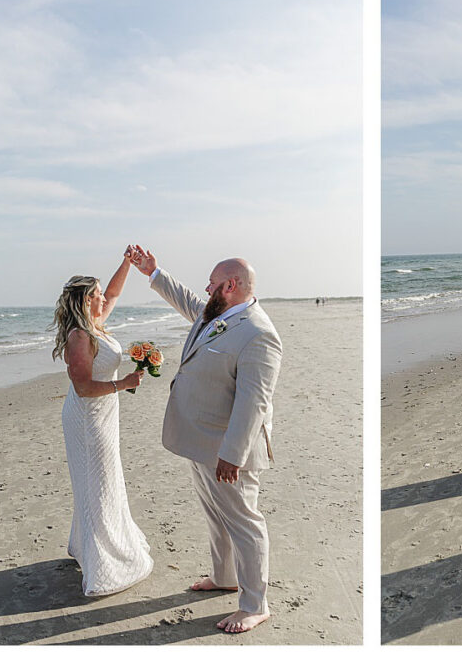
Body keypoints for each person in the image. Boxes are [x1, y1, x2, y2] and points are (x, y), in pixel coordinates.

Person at [129, 245, 283, 634]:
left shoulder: (258, 333)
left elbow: (254, 403)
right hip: (200, 440)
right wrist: (154, 271)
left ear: (230, 286)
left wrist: (232, 455)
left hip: (229, 449)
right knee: (217, 517)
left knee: (244, 523)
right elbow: (188, 300)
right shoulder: (218, 313)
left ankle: (254, 604)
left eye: (212, 284)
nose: (206, 289)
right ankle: (225, 576)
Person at [51, 249, 152, 596]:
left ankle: (83, 543)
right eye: (95, 295)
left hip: (105, 414)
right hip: (87, 419)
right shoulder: (80, 336)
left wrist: (127, 263)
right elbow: (82, 387)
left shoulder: (96, 323)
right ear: (84, 302)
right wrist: (122, 384)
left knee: (104, 481)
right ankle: (101, 561)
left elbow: (114, 293)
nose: (102, 298)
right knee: (98, 483)